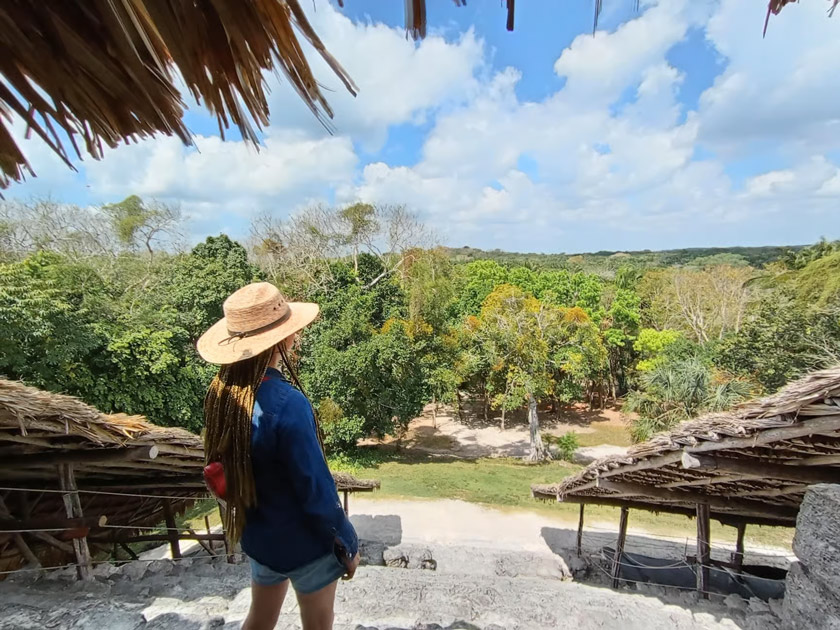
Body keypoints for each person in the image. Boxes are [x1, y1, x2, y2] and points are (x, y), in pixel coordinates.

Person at [197, 282, 360, 630]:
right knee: (318, 624)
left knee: (259, 619)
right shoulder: (288, 404)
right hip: (304, 544)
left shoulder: (222, 394)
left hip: (259, 536)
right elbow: (315, 487)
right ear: (282, 340)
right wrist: (347, 541)